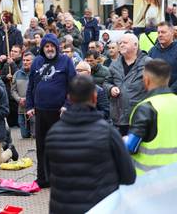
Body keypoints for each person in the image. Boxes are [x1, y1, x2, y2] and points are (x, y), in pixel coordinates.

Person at [45, 75, 135, 214]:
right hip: (102, 207)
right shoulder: (108, 133)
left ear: (69, 97)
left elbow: (48, 175)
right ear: (94, 97)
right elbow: (128, 176)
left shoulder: (53, 133)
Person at [25, 33, 76, 188]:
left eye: (52, 46)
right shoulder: (37, 62)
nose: (49, 49)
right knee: (42, 147)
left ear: (57, 47)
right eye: (46, 46)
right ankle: (43, 178)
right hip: (40, 111)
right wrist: (29, 106)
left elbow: (74, 85)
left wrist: (67, 105)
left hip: (59, 112)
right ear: (43, 48)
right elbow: (31, 86)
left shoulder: (66, 61)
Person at [126, 59, 177, 175]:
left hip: (152, 183)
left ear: (146, 80)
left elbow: (131, 146)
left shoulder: (146, 108)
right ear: (168, 79)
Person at [103, 33, 151, 136]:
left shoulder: (147, 62)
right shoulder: (114, 64)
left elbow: (154, 87)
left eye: (125, 43)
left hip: (139, 116)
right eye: (120, 43)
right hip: (118, 116)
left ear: (135, 45)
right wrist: (111, 88)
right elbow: (107, 82)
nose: (121, 45)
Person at [149, 22, 177, 97]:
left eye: (163, 32)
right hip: (155, 96)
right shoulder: (152, 51)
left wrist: (169, 91)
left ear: (171, 33)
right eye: (158, 32)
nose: (160, 35)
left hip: (176, 96)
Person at [0, 44, 22, 127]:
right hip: (8, 96)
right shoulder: (7, 64)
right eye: (11, 51)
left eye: (15, 52)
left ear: (20, 54)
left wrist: (12, 64)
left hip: (17, 96)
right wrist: (6, 77)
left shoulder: (22, 63)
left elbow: (20, 75)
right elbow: (0, 77)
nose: (12, 53)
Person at [11, 52, 34, 138]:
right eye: (24, 60)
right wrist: (19, 99)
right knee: (24, 136)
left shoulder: (37, 74)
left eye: (27, 60)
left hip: (33, 111)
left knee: (34, 136)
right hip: (21, 109)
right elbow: (13, 90)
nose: (25, 62)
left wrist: (28, 99)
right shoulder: (17, 74)